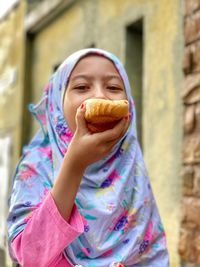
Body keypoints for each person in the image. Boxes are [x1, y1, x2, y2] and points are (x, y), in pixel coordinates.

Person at [7, 48, 169, 267]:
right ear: (57, 103)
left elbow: (154, 257)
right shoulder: (37, 168)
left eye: (113, 87)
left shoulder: (130, 166)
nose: (100, 96)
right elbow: (31, 256)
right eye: (82, 87)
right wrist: (75, 164)